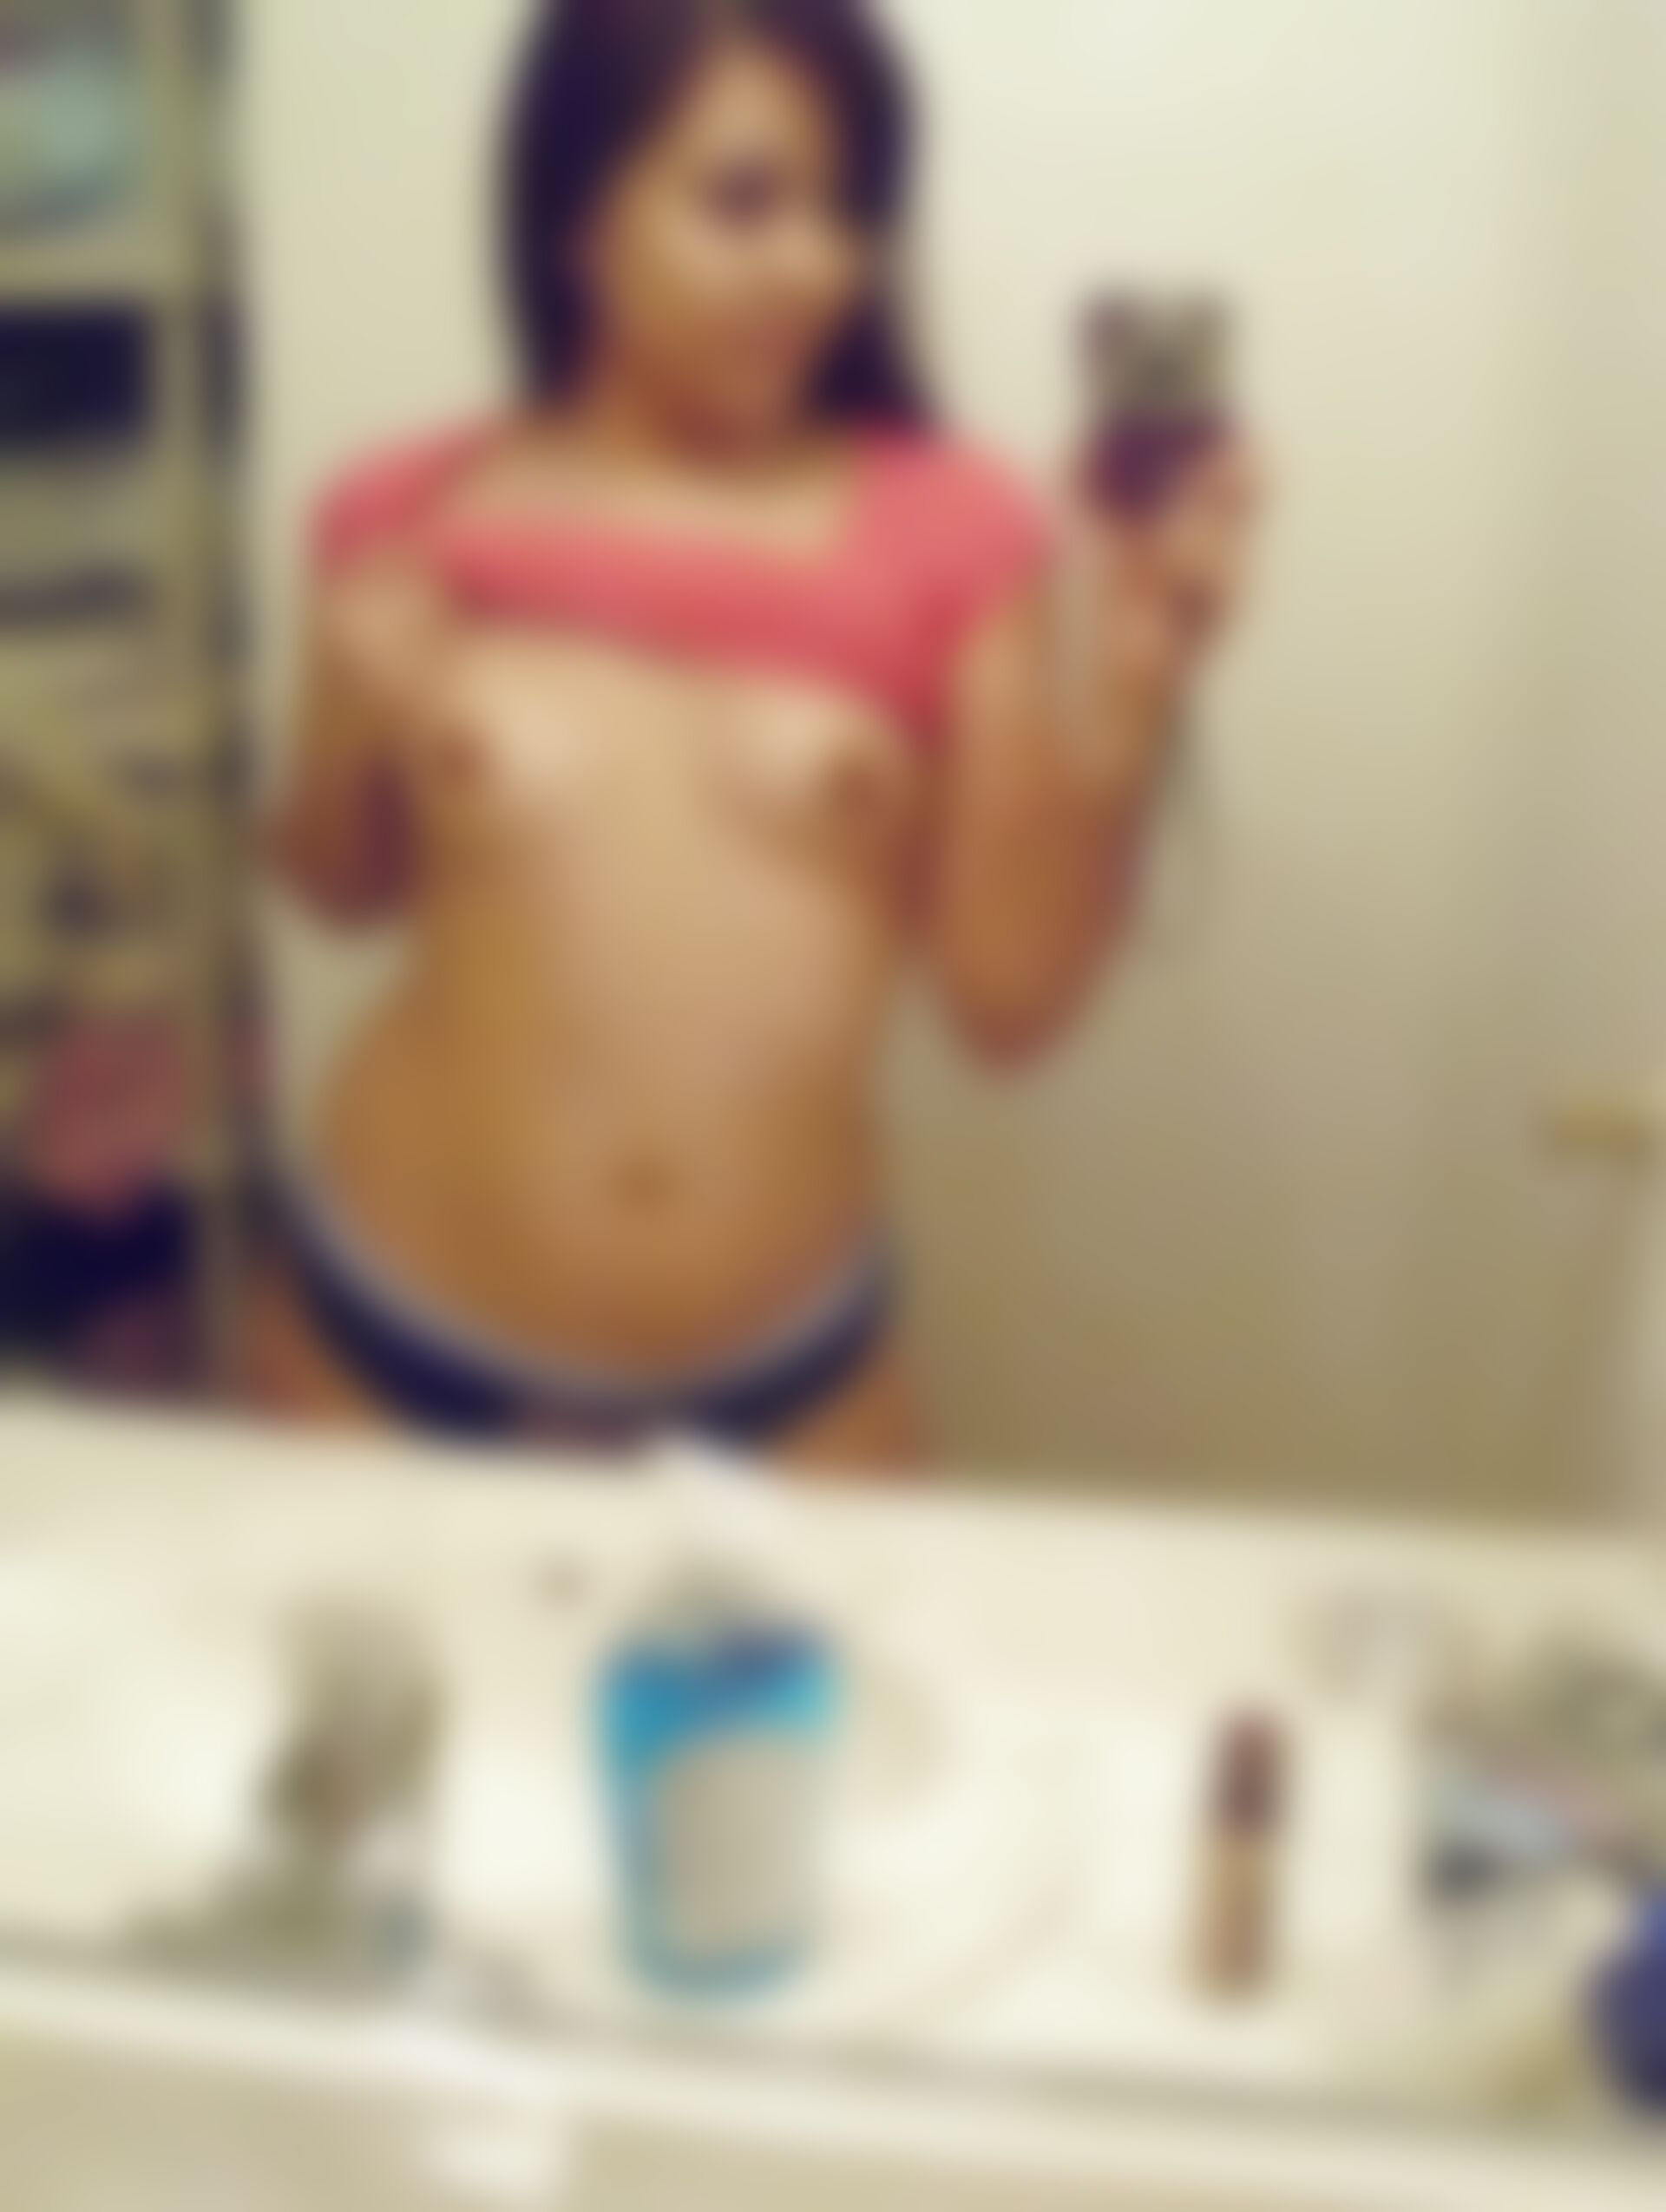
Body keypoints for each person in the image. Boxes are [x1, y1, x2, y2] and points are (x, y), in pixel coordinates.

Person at [256, 0, 1257, 1469]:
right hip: (382, 1347)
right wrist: (347, 719)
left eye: (848, 210)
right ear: (578, 216)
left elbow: (1008, 1007)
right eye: (744, 201)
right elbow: (337, 882)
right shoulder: (405, 509)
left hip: (785, 1396)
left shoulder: (953, 535)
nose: (817, 264)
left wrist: (1128, 715)